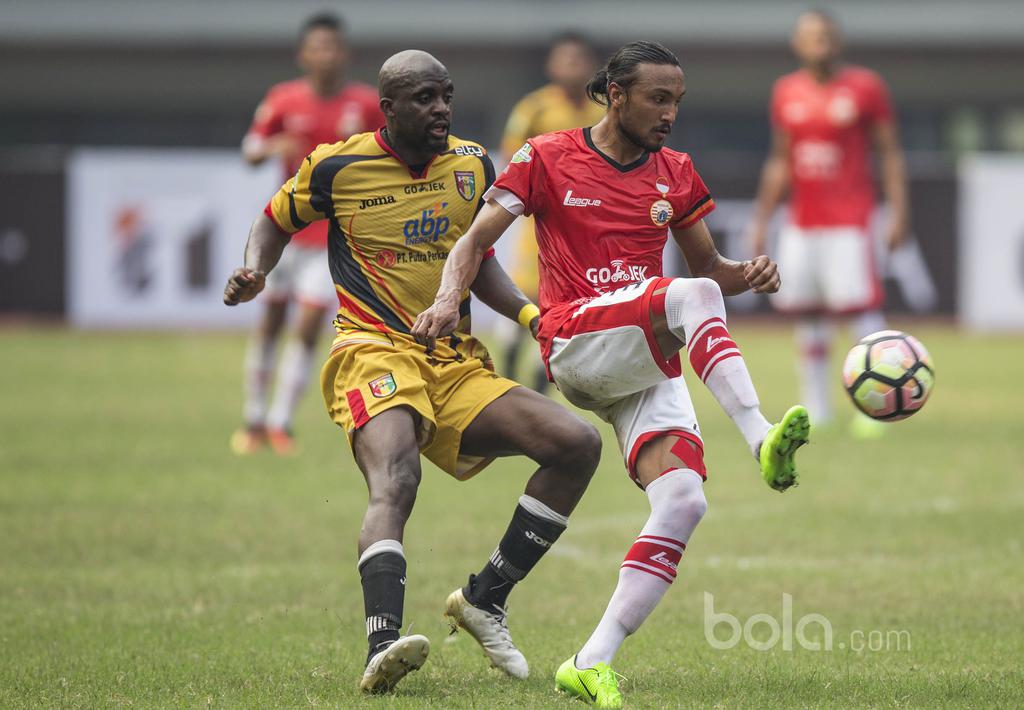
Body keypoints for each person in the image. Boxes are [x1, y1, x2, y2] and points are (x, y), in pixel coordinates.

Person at [414, 41, 811, 708]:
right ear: (615, 95)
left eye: (677, 101)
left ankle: (590, 660)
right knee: (686, 296)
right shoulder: (546, 156)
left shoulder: (674, 171)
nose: (669, 113)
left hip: (637, 351)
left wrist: (750, 274)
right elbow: (473, 242)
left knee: (683, 501)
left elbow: (712, 272)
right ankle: (759, 436)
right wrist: (450, 297)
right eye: (658, 99)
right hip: (575, 338)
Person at [223, 50, 602, 695]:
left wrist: (531, 315)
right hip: (372, 351)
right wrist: (256, 269)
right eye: (425, 99)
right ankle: (383, 646)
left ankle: (486, 598)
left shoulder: (472, 164)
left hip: (451, 362)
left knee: (576, 444)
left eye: (446, 95)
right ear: (389, 109)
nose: (441, 109)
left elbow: (477, 259)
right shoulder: (336, 166)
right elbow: (274, 219)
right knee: (397, 477)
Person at [745, 8, 911, 437]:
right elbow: (780, 159)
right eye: (812, 35)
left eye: (827, 35)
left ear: (838, 42)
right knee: (808, 314)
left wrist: (899, 210)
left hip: (850, 220)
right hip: (802, 220)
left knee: (859, 310)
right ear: (797, 44)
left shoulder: (865, 87)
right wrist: (761, 218)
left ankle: (876, 408)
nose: (821, 42)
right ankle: (817, 409)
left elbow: (889, 153)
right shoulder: (786, 91)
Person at [232, 12, 384, 455]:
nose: (326, 55)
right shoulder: (283, 99)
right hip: (285, 232)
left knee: (309, 325)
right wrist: (271, 147)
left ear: (345, 54)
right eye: (318, 47)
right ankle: (253, 418)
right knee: (271, 321)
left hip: (333, 238)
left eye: (333, 47)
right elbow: (250, 150)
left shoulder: (365, 104)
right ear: (304, 55)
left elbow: (388, 153)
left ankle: (280, 423)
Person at [497, 32, 606, 393]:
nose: (572, 66)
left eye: (579, 59)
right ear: (551, 66)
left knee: (563, 307)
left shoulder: (603, 110)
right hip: (540, 222)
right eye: (565, 59)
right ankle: (508, 364)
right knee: (526, 294)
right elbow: (511, 157)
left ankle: (539, 387)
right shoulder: (534, 109)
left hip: (583, 226)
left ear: (591, 66)